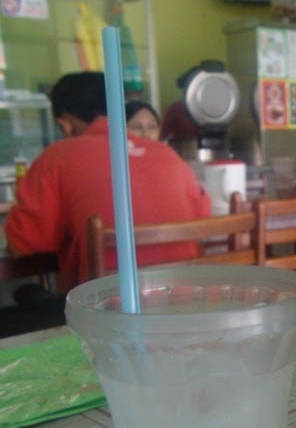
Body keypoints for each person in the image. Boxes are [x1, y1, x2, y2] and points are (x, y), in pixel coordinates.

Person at [5, 72, 211, 294]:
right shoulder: (168, 155)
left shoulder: (57, 157)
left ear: (65, 123)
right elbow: (203, 220)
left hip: (106, 310)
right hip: (185, 303)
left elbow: (21, 247)